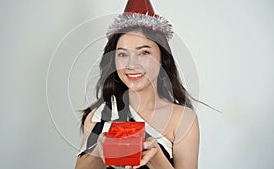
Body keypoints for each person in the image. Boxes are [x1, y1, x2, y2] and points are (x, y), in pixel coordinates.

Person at [75, 0, 199, 168]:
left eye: (143, 53)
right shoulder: (97, 116)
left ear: (162, 58)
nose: (132, 64)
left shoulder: (183, 119)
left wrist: (156, 157)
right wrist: (99, 149)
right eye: (122, 55)